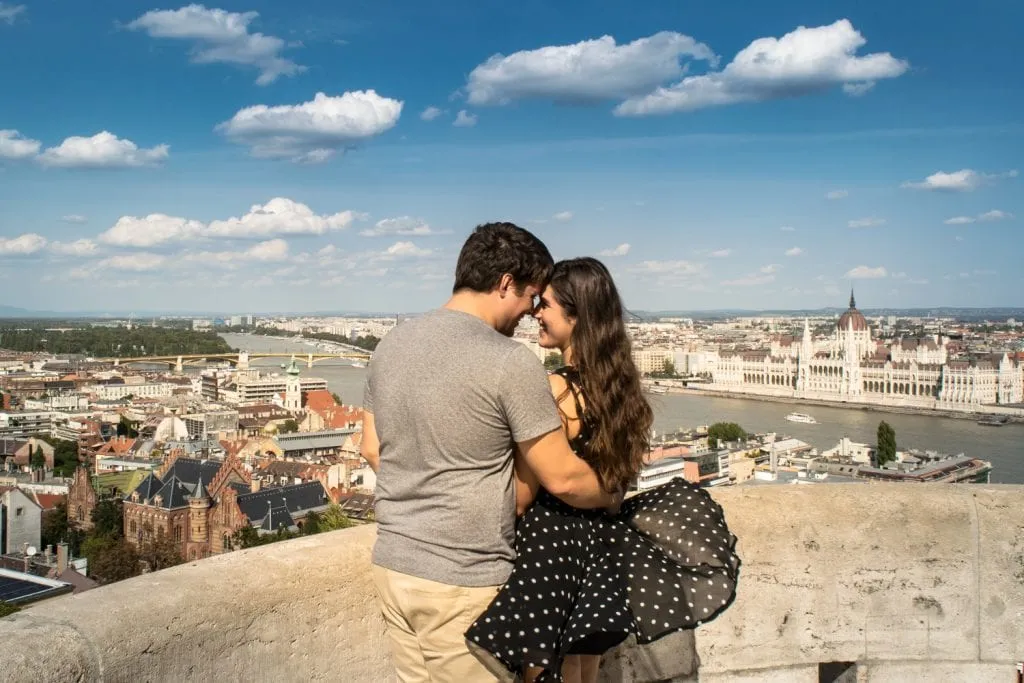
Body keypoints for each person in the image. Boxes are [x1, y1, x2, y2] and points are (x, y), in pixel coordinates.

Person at [361, 223, 621, 683]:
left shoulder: (390, 345)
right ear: (505, 283)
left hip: (393, 565)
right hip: (463, 577)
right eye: (531, 296)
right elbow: (561, 478)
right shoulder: (508, 361)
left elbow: (372, 449)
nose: (530, 311)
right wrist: (613, 494)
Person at [466, 257, 740, 683]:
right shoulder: (621, 390)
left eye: (547, 305)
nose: (536, 312)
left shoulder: (557, 390)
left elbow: (523, 493)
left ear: (577, 317)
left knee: (540, 667)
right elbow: (616, 477)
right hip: (599, 546)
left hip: (549, 545)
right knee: (583, 668)